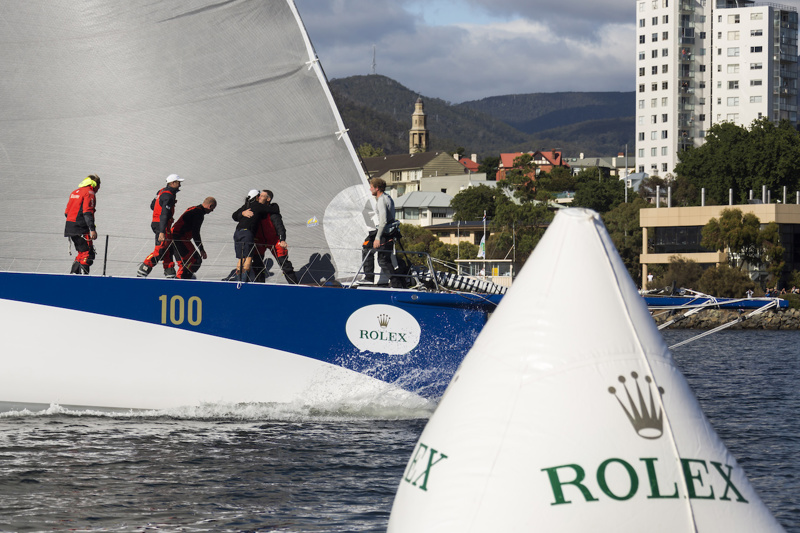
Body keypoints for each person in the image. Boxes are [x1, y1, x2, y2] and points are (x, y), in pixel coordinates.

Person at [358, 177, 401, 287]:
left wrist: (377, 238)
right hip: (386, 232)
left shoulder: (382, 200)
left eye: (371, 187)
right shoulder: (387, 197)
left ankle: (396, 284)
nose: (370, 189)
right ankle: (369, 278)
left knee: (383, 261)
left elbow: (383, 221)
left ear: (377, 188)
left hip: (386, 233)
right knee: (367, 247)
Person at [137, 174, 183, 278]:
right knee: (160, 249)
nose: (180, 185)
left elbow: (152, 205)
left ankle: (170, 272)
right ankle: (143, 270)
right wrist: (162, 231)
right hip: (162, 224)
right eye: (178, 182)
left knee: (168, 248)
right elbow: (164, 214)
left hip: (158, 222)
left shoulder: (161, 191)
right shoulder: (169, 196)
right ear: (173, 183)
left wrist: (164, 209)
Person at [230, 189, 280, 282]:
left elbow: (234, 216)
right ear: (256, 197)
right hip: (247, 232)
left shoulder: (246, 206)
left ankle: (238, 281)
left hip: (237, 232)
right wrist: (275, 204)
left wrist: (242, 213)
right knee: (249, 257)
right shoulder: (258, 206)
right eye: (259, 195)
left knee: (241, 259)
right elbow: (274, 210)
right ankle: (243, 281)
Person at [254, 190, 298, 284]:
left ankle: (294, 285)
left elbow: (279, 226)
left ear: (268, 199)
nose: (259, 197)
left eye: (262, 196)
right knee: (257, 264)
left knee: (285, 264)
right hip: (260, 240)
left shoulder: (273, 212)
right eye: (259, 195)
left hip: (274, 240)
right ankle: (259, 286)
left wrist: (282, 240)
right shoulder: (256, 210)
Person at [171, 197, 217, 279]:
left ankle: (180, 278)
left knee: (184, 262)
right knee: (196, 260)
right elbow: (195, 232)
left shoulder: (193, 208)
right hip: (179, 237)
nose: (212, 211)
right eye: (213, 208)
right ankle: (182, 278)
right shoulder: (198, 213)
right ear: (210, 206)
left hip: (173, 237)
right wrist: (201, 249)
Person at [64, 175, 101, 274]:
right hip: (81, 227)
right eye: (98, 187)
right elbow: (87, 212)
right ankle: (84, 278)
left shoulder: (75, 192)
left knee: (81, 253)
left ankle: (74, 275)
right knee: (87, 254)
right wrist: (92, 229)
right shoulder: (89, 193)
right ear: (95, 185)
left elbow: (66, 213)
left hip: (70, 227)